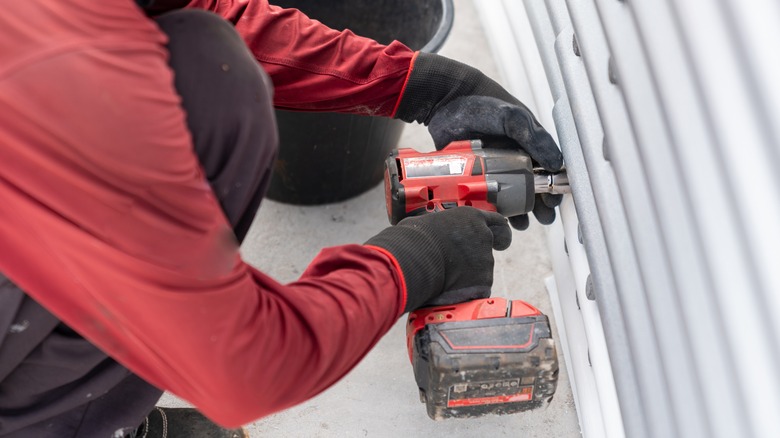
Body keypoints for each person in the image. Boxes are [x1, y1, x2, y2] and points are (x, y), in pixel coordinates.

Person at [0, 0, 563, 436]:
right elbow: (242, 363)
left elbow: (206, 16)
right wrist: (419, 258)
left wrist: (419, 85)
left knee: (211, 67)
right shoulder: (64, 79)